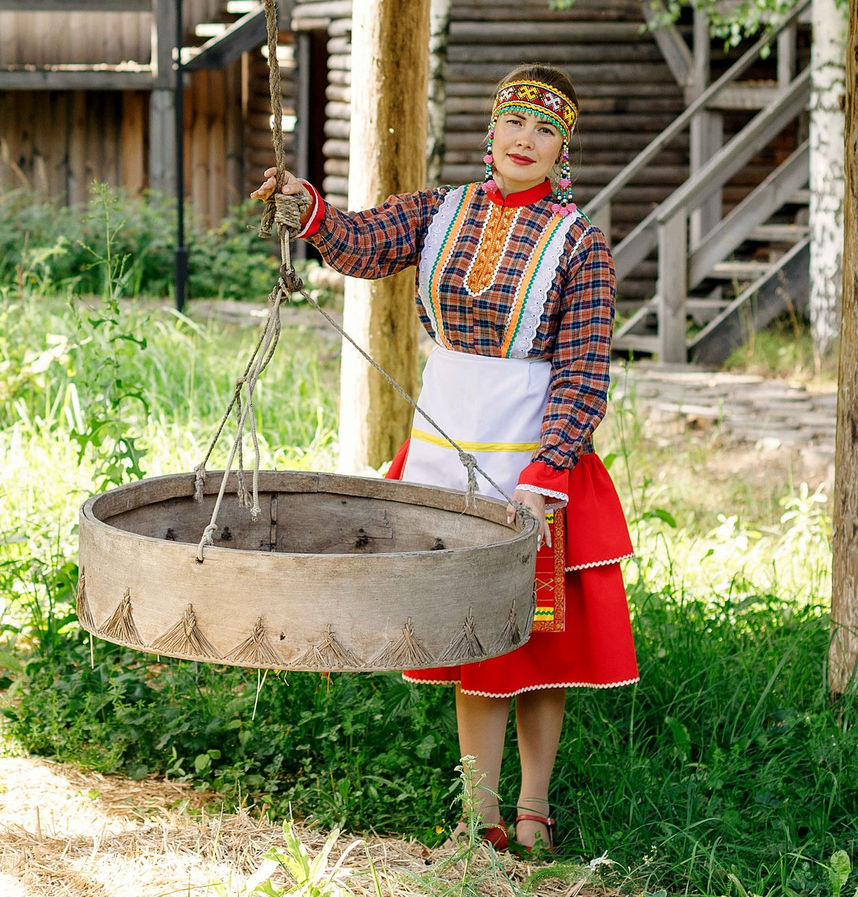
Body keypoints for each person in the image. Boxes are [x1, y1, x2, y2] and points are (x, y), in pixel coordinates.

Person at [253, 64, 635, 854]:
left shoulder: (579, 243)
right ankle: (478, 816)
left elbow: (584, 368)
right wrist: (310, 210)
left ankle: (534, 809)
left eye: (545, 129)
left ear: (563, 148)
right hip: (447, 444)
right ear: (491, 131)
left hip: (532, 459)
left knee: (539, 639)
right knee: (473, 637)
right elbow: (361, 243)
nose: (525, 140)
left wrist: (548, 471)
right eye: (515, 122)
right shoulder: (440, 211)